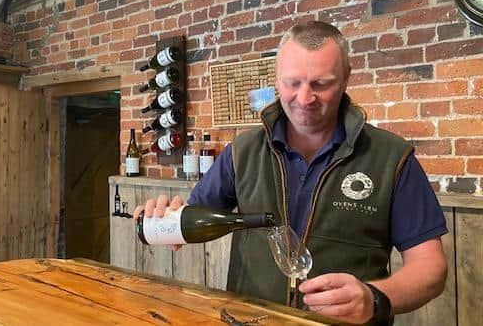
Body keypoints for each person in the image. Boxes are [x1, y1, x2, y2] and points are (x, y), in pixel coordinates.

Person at [134, 21, 447, 325]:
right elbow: (189, 221)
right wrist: (164, 219)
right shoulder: (243, 151)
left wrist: (375, 297)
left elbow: (430, 268)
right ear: (276, 78)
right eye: (292, 83)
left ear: (346, 78)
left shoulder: (392, 158)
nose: (304, 98)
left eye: (321, 84)